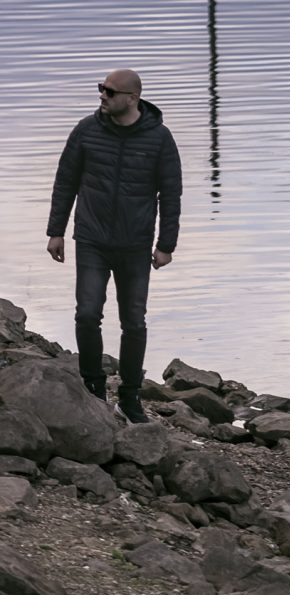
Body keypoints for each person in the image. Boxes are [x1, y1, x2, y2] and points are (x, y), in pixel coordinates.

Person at [46, 69, 182, 424]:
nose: (102, 96)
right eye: (100, 89)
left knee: (133, 322)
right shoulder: (86, 131)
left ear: (132, 98)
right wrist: (55, 230)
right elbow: (66, 180)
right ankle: (93, 389)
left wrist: (166, 244)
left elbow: (171, 194)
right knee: (88, 314)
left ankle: (130, 398)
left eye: (109, 91)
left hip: (135, 244)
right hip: (91, 239)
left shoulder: (160, 139)